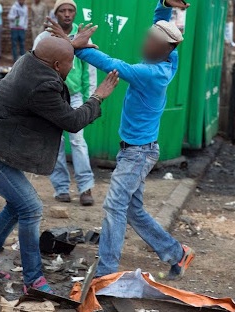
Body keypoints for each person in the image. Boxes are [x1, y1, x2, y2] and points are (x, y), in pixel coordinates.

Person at [47, 0, 195, 280]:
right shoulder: (168, 58)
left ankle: (105, 273)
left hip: (138, 154)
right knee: (133, 210)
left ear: (164, 49)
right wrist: (164, 4)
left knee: (115, 205)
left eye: (151, 40)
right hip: (136, 151)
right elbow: (161, 21)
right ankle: (177, 253)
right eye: (148, 36)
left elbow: (112, 65)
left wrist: (76, 46)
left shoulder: (149, 74)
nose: (145, 41)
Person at [0, 36, 119, 293]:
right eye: (70, 62)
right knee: (31, 207)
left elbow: (47, 49)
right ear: (57, 65)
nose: (72, 67)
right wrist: (98, 97)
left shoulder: (31, 59)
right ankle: (33, 281)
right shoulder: (40, 86)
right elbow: (72, 121)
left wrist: (70, 45)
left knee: (18, 205)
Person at [33, 0, 98, 206]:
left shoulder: (80, 38)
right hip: (52, 98)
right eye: (63, 10)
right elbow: (35, 67)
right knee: (56, 143)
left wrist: (92, 99)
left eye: (71, 10)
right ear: (56, 13)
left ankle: (85, 188)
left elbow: (90, 71)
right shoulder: (44, 38)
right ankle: (61, 188)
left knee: (78, 142)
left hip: (76, 97)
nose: (67, 14)